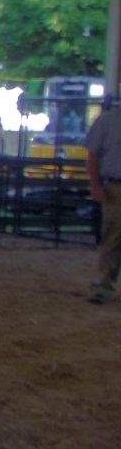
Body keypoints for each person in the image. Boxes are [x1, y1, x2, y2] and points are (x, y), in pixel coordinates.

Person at [87, 101, 121, 303]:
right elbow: (92, 156)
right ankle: (103, 286)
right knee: (113, 237)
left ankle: (104, 286)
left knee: (113, 237)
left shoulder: (106, 120)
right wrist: (96, 186)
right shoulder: (107, 121)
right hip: (116, 187)